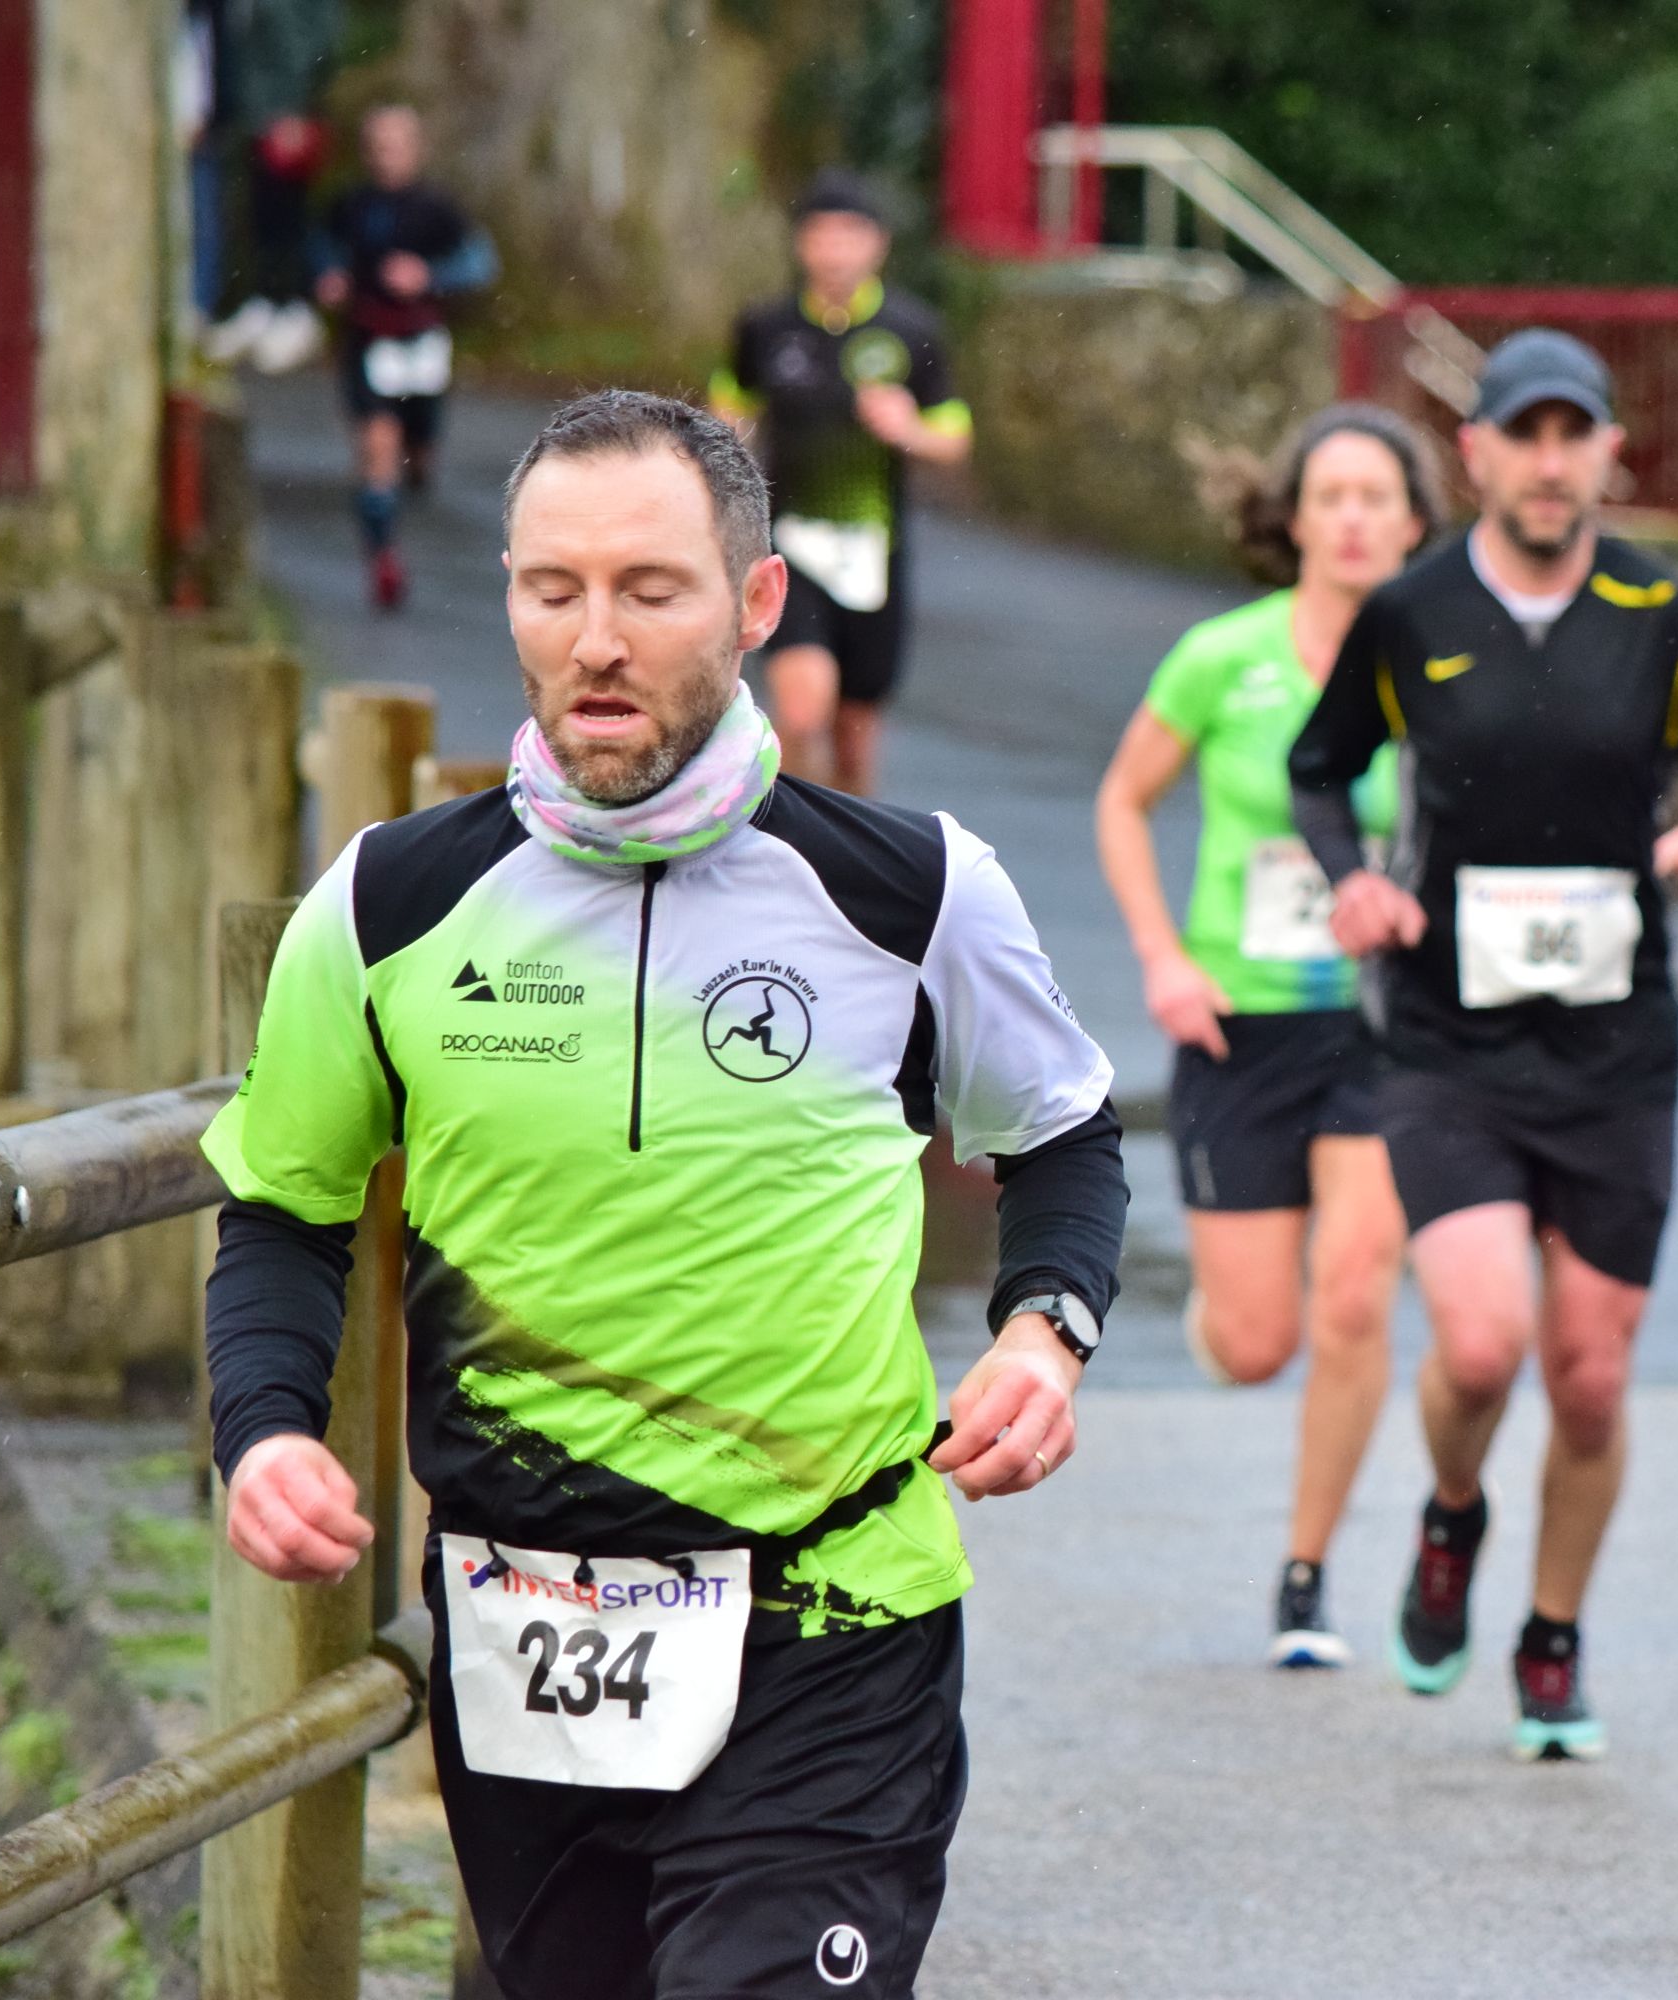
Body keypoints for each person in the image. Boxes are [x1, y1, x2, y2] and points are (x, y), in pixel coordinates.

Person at [201, 389, 1125, 1994]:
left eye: (650, 590)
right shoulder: (389, 905)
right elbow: (285, 1208)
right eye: (552, 590)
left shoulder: (910, 890)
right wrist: (266, 1428)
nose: (595, 642)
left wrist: (1046, 1332)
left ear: (756, 603)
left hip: (834, 1619)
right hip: (529, 1628)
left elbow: (1064, 1136)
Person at [1287, 331, 1678, 1761]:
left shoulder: (1662, 612)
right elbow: (1320, 769)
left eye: (1577, 434)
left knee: (1588, 1374)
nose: (1551, 460)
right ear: (1478, 454)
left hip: (1617, 1050)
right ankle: (1452, 1515)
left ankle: (1553, 1635)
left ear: (1609, 453)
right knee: (1481, 1340)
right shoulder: (1413, 611)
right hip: (1447, 1041)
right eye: (1526, 433)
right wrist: (1354, 880)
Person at [1094, 406, 1443, 1667]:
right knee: (1255, 1347)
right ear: (1292, 517)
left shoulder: (1439, 663)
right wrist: (1163, 958)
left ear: (1413, 522)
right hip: (1239, 1022)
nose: (1351, 518)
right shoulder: (1221, 657)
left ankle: (1306, 1571)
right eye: (1329, 495)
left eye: (1375, 496)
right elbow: (1123, 799)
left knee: (1355, 1289)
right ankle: (1239, 1309)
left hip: (1381, 1028)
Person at [711, 171, 972, 795]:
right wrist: (723, 451)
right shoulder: (765, 326)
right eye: (820, 236)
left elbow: (955, 437)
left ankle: (844, 836)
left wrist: (908, 428)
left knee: (855, 736)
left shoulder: (913, 329)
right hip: (787, 542)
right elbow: (728, 407)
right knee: (803, 710)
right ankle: (791, 831)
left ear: (878, 245)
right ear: (801, 244)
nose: (833, 251)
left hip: (874, 550)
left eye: (848, 236)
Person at [312, 104, 498, 610]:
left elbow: (480, 265)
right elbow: (321, 249)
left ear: (417, 151)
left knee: (418, 456)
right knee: (378, 445)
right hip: (367, 339)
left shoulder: (438, 208)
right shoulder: (349, 205)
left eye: (395, 147)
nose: (385, 158)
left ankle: (410, 472)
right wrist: (329, 277)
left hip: (421, 344)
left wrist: (428, 276)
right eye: (377, 147)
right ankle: (383, 557)